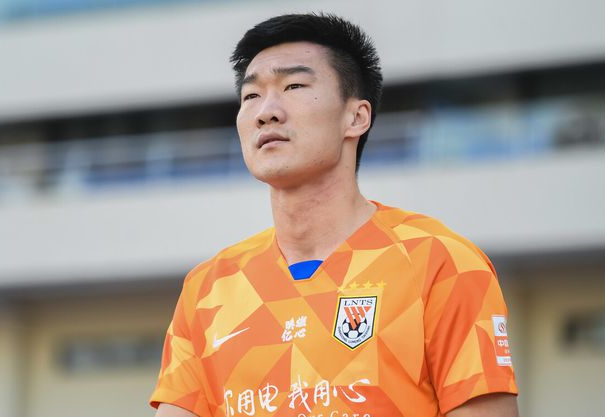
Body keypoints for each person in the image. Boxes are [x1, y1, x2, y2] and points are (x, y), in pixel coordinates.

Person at [151, 13, 519, 417]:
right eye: (251, 96)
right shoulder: (208, 288)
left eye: (293, 86)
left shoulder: (441, 262)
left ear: (356, 117)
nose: (265, 112)